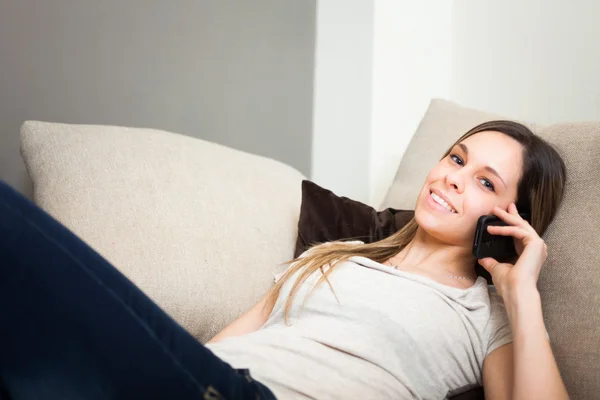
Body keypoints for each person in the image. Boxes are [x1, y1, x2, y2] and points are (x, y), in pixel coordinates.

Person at [0, 121, 569, 400]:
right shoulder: (333, 255)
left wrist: (522, 293)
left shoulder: (484, 317)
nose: (451, 175)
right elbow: (222, 348)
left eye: (483, 180)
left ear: (508, 218)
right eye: (455, 156)